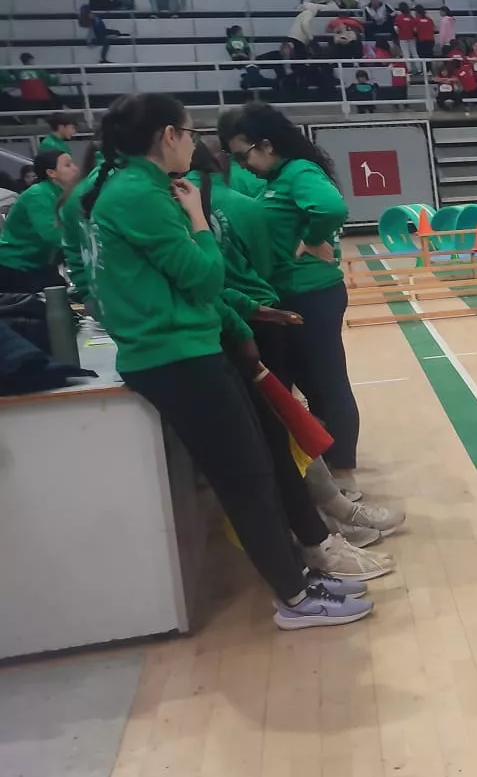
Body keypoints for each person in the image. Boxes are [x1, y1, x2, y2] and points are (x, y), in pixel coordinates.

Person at [78, 94, 370, 629]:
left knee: (260, 462)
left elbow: (196, 290)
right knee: (245, 475)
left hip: (190, 347)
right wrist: (197, 219)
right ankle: (294, 599)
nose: (196, 145)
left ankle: (301, 576)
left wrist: (239, 317)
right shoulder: (139, 196)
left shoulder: (135, 189)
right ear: (168, 136)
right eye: (190, 134)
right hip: (174, 356)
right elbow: (204, 276)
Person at [225, 103, 364, 491]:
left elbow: (331, 206)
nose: (243, 165)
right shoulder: (278, 178)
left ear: (266, 145)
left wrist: (315, 238)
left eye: (243, 155)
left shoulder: (299, 172)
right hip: (292, 294)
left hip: (313, 294)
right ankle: (322, 469)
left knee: (327, 380)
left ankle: (344, 473)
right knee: (309, 381)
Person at [0, 146, 79, 292]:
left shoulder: (64, 193)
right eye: (68, 165)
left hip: (39, 263)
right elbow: (53, 233)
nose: (75, 168)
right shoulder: (38, 195)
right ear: (51, 173)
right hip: (14, 265)